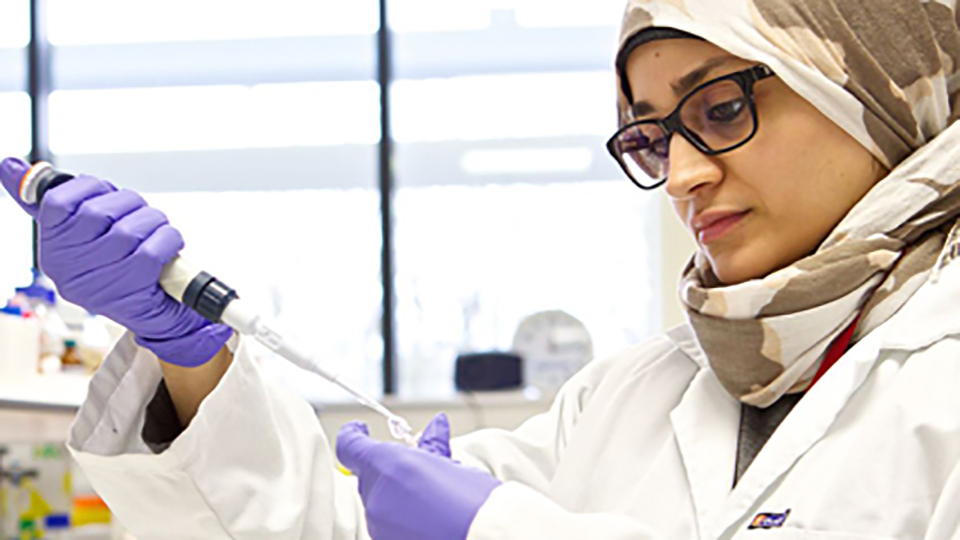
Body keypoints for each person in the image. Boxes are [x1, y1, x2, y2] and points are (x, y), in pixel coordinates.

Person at [3, 0, 960, 538]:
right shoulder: (633, 395)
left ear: (875, 88)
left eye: (717, 110)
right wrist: (191, 359)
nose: (681, 175)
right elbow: (326, 533)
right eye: (651, 135)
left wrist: (499, 532)